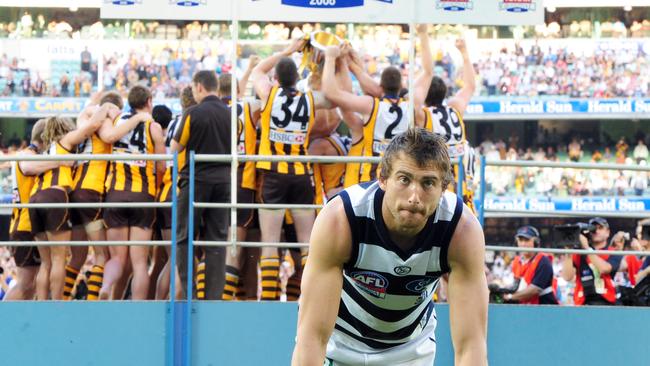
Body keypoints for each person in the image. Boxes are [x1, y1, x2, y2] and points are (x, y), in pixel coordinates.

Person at [292, 128, 488, 366]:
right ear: (383, 178)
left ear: (444, 188)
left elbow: (471, 345)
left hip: (411, 350)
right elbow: (312, 335)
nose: (415, 196)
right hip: (342, 346)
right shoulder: (341, 219)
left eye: (428, 183)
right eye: (404, 179)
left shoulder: (461, 230)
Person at [251, 38, 332, 300]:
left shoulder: (269, 93)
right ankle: (312, 296)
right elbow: (332, 98)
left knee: (270, 242)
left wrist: (286, 51)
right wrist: (325, 63)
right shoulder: (310, 99)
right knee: (307, 242)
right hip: (300, 175)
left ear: (276, 77)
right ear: (297, 78)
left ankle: (270, 300)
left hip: (273, 174)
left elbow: (257, 72)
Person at [99, 85, 166, 300]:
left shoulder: (118, 121)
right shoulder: (153, 127)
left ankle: (107, 287)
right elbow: (162, 166)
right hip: (143, 197)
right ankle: (138, 310)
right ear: (148, 101)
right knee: (139, 263)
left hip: (116, 194)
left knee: (117, 258)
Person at [171, 70, 232, 300]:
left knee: (185, 237)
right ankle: (213, 297)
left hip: (196, 181)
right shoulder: (230, 115)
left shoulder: (192, 113)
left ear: (198, 87)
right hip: (224, 182)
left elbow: (174, 150)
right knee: (217, 241)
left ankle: (191, 294)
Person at [155, 87, 196, 300]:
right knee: (180, 259)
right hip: (179, 193)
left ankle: (159, 303)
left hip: (164, 194)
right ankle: (172, 305)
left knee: (172, 259)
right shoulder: (193, 122)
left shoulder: (171, 124)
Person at [4, 120, 51, 300]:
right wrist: (61, 162)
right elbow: (27, 166)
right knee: (24, 283)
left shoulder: (32, 154)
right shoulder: (27, 154)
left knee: (31, 284)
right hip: (24, 227)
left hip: (27, 226)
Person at [561, 217, 621, 305]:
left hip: (606, 300)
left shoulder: (613, 252)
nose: (596, 231)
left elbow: (604, 269)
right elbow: (567, 277)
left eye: (600, 228)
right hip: (582, 301)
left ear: (608, 232)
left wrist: (587, 248)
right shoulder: (579, 252)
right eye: (593, 228)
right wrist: (568, 251)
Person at [502, 226, 558, 305]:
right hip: (525, 307)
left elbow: (534, 290)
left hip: (544, 308)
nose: (523, 244)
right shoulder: (517, 261)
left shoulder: (543, 261)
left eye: (527, 240)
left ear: (536, 242)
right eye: (521, 240)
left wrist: (510, 297)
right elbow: (516, 285)